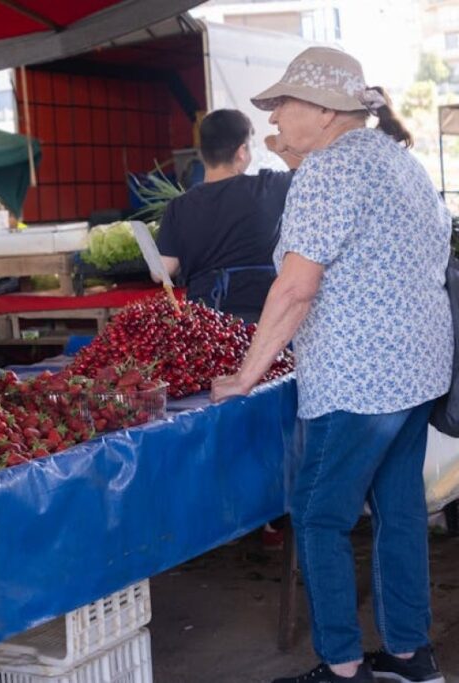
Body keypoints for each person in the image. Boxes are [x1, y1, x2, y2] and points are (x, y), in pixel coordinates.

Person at [211, 47, 451, 683]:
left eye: (284, 103)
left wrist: (246, 373)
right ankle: (409, 655)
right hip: (418, 369)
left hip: (358, 378)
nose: (275, 116)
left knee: (319, 515)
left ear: (323, 110)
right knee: (399, 510)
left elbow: (294, 289)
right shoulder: (400, 164)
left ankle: (343, 668)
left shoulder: (328, 173)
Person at [156, 108, 300, 324]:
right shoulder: (269, 187)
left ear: (202, 153)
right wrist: (279, 146)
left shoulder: (178, 206)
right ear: (242, 152)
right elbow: (310, 173)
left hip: (205, 323)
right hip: (263, 320)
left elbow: (164, 270)